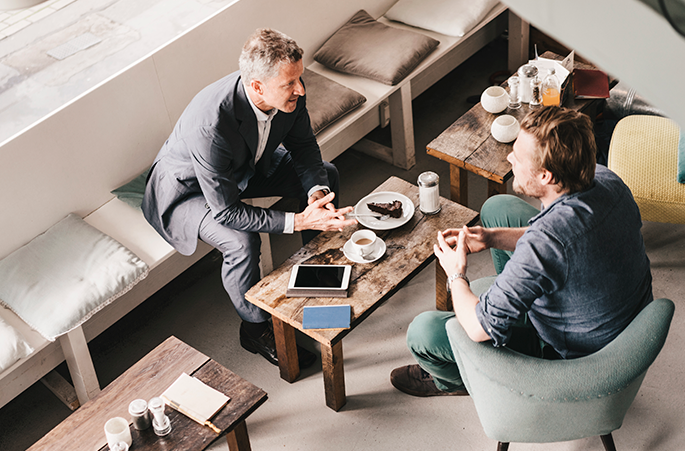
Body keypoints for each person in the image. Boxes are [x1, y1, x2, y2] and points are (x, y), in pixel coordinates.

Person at [390, 106, 653, 397]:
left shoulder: (545, 243)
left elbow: (479, 328)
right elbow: (566, 240)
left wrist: (456, 274)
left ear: (546, 176)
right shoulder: (607, 180)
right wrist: (491, 238)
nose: (509, 157)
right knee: (497, 208)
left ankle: (457, 380)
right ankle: (513, 294)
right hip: (618, 321)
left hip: (574, 355)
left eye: (518, 156)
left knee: (423, 332)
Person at [142, 28, 356, 368]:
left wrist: (316, 197)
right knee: (241, 241)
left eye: (299, 79)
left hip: (245, 166)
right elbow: (226, 211)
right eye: (290, 84)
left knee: (326, 176)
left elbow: (303, 148)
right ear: (257, 86)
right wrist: (299, 220)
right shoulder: (210, 124)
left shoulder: (287, 90)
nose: (300, 89)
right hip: (189, 189)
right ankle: (255, 327)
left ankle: (317, 273)